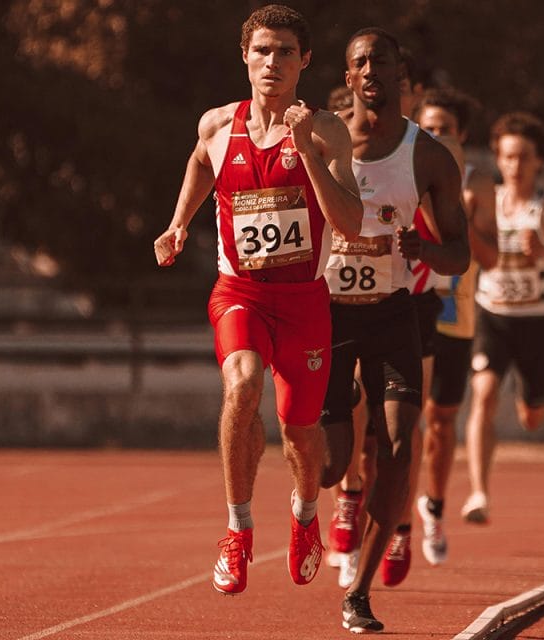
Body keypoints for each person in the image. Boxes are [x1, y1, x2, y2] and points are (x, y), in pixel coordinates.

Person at [152, 4, 362, 596]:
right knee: (242, 385)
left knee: (300, 433)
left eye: (286, 52)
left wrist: (310, 152)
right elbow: (199, 164)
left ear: (305, 62)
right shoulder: (218, 125)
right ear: (244, 55)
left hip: (303, 302)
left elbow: (347, 222)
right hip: (239, 291)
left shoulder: (327, 131)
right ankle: (237, 529)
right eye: (263, 50)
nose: (273, 62)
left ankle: (303, 518)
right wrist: (178, 224)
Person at [322, 28, 469, 633]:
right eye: (360, 63)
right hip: (328, 313)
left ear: (401, 75)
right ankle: (317, 504)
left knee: (398, 448)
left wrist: (426, 247)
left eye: (381, 61)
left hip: (393, 312)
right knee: (333, 465)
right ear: (349, 78)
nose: (371, 71)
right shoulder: (322, 137)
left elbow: (459, 255)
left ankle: (358, 592)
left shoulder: (429, 155)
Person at [460, 112, 544, 525]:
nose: (515, 166)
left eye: (524, 158)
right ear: (498, 158)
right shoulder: (485, 200)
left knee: (532, 418)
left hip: (535, 320)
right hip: (492, 314)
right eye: (508, 157)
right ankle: (479, 492)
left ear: (539, 161)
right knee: (483, 394)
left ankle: (530, 397)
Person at [413, 87, 498, 566]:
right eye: (428, 127)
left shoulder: (476, 183)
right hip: (410, 303)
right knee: (399, 417)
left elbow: (491, 255)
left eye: (445, 128)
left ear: (462, 135)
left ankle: (435, 506)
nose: (437, 136)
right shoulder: (401, 171)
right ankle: (388, 512)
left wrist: (458, 213)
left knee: (442, 420)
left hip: (456, 313)